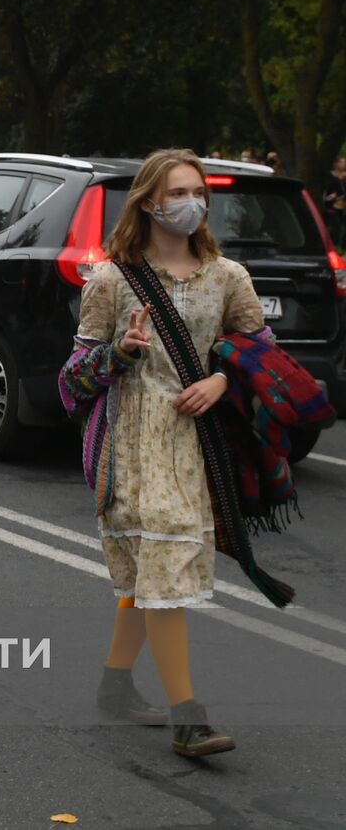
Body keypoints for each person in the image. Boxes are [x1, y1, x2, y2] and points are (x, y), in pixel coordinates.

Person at [60, 149, 278, 758]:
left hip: (196, 447)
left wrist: (222, 380)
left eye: (198, 192)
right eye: (179, 192)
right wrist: (120, 353)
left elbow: (261, 355)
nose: (193, 203)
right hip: (131, 445)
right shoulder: (110, 280)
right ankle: (189, 718)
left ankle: (115, 685)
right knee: (162, 571)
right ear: (151, 203)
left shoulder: (228, 277)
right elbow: (72, 379)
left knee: (151, 572)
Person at [323, 155, 346, 247]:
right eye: (342, 162)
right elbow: (327, 192)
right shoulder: (329, 176)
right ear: (336, 164)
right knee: (334, 227)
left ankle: (341, 246)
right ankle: (333, 245)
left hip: (343, 206)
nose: (345, 164)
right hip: (331, 207)